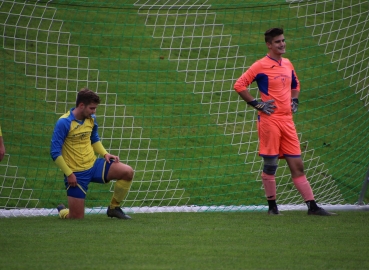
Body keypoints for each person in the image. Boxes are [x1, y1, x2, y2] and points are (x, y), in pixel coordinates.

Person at [234, 28, 335, 216]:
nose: (282, 44)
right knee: (271, 165)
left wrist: (294, 99)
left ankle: (312, 207)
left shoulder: (288, 64)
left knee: (297, 165)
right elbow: (239, 85)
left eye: (283, 40)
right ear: (269, 45)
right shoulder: (260, 65)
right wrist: (257, 104)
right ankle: (272, 208)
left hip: (287, 121)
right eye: (278, 42)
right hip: (269, 121)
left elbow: (295, 85)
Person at [50, 88, 134, 219]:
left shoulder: (91, 119)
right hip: (76, 174)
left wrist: (105, 153)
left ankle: (114, 207)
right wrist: (69, 173)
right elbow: (55, 152)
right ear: (81, 105)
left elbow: (94, 138)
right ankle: (62, 211)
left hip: (94, 165)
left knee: (127, 172)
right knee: (76, 217)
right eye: (92, 108)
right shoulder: (64, 122)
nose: (94, 111)